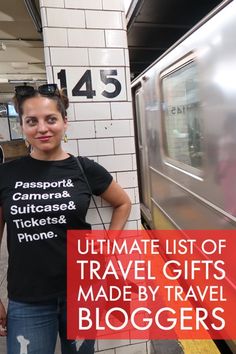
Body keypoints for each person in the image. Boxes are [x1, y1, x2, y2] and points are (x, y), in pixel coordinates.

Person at [0, 84, 131, 354]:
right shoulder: (6, 174)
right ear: (22, 126)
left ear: (64, 122)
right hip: (28, 299)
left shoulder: (84, 169)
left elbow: (122, 203)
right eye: (31, 121)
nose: (42, 128)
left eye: (51, 119)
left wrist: (110, 244)